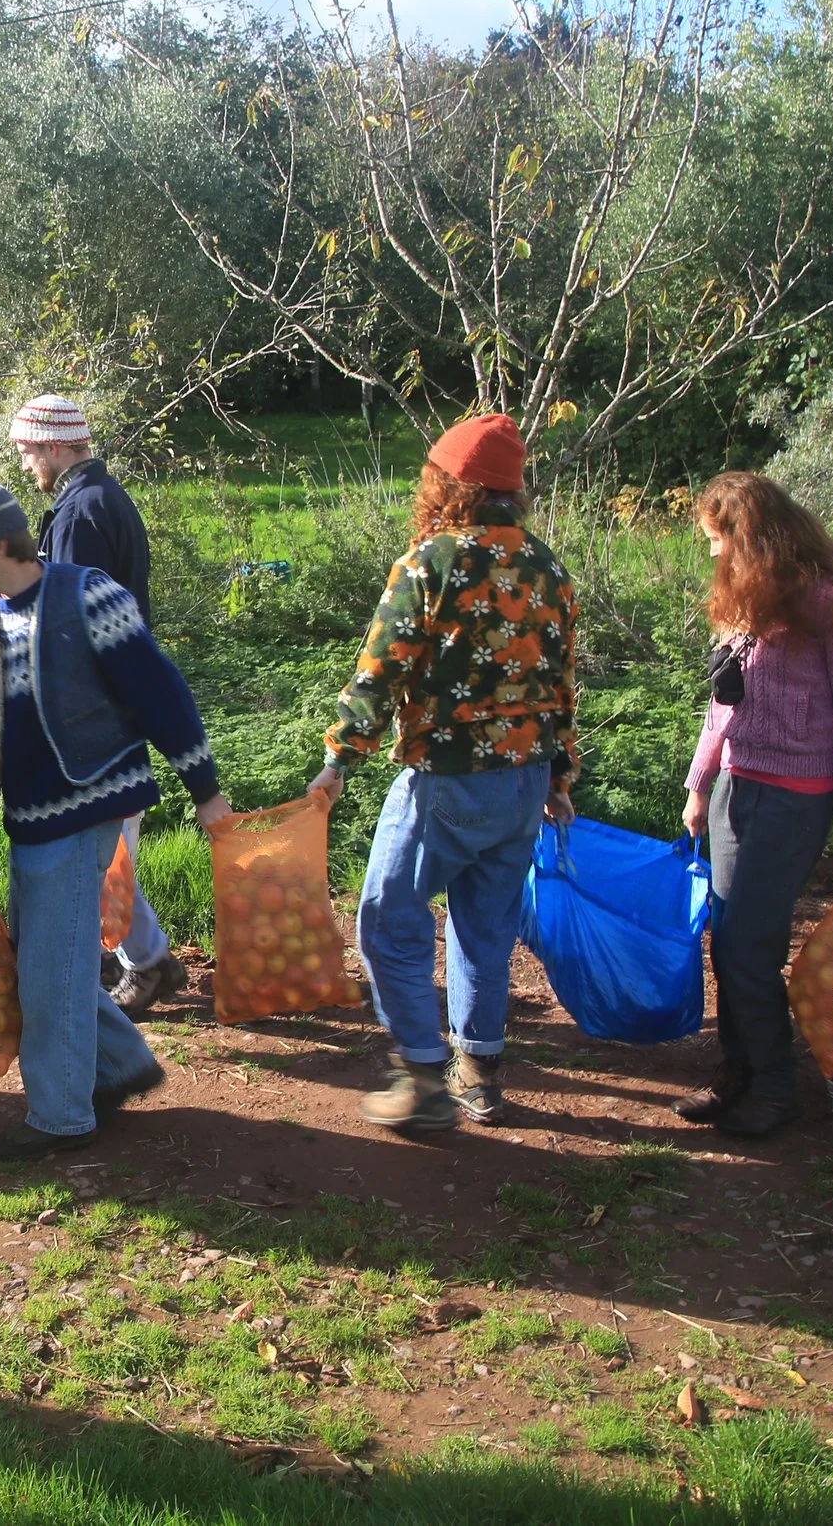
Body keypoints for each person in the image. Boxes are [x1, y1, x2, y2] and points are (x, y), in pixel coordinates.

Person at [0, 471, 233, 1160]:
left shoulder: (88, 594)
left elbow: (161, 693)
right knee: (48, 962)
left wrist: (205, 789)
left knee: (50, 972)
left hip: (89, 808)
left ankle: (61, 1115)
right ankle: (118, 1064)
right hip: (31, 819)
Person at [307, 412, 577, 1134]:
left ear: (452, 485)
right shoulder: (548, 566)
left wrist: (338, 760)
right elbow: (559, 682)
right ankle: (480, 1072)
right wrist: (558, 776)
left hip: (449, 778)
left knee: (388, 918)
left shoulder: (432, 563)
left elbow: (380, 670)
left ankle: (422, 1072)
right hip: (523, 779)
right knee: (485, 924)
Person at [674, 473, 833, 1140]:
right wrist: (699, 781)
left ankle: (775, 1087)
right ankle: (738, 1072)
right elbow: (722, 703)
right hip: (740, 785)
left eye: (717, 539)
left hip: (795, 797)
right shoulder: (746, 598)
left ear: (752, 536)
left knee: (750, 946)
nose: (711, 553)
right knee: (727, 937)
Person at [12, 392, 179, 1015]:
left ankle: (146, 961)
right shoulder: (99, 498)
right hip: (115, 699)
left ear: (56, 445)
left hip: (99, 710)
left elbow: (71, 622)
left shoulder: (80, 512)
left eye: (30, 451)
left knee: (105, 849)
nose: (27, 463)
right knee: (108, 846)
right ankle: (146, 956)